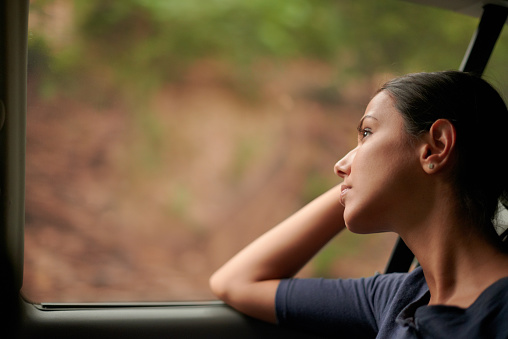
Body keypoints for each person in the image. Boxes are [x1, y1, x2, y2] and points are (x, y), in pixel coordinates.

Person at [209, 71, 508, 338]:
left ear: (435, 147)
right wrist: (353, 186)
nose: (340, 165)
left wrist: (358, 185)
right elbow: (235, 282)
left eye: (366, 133)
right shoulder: (397, 298)